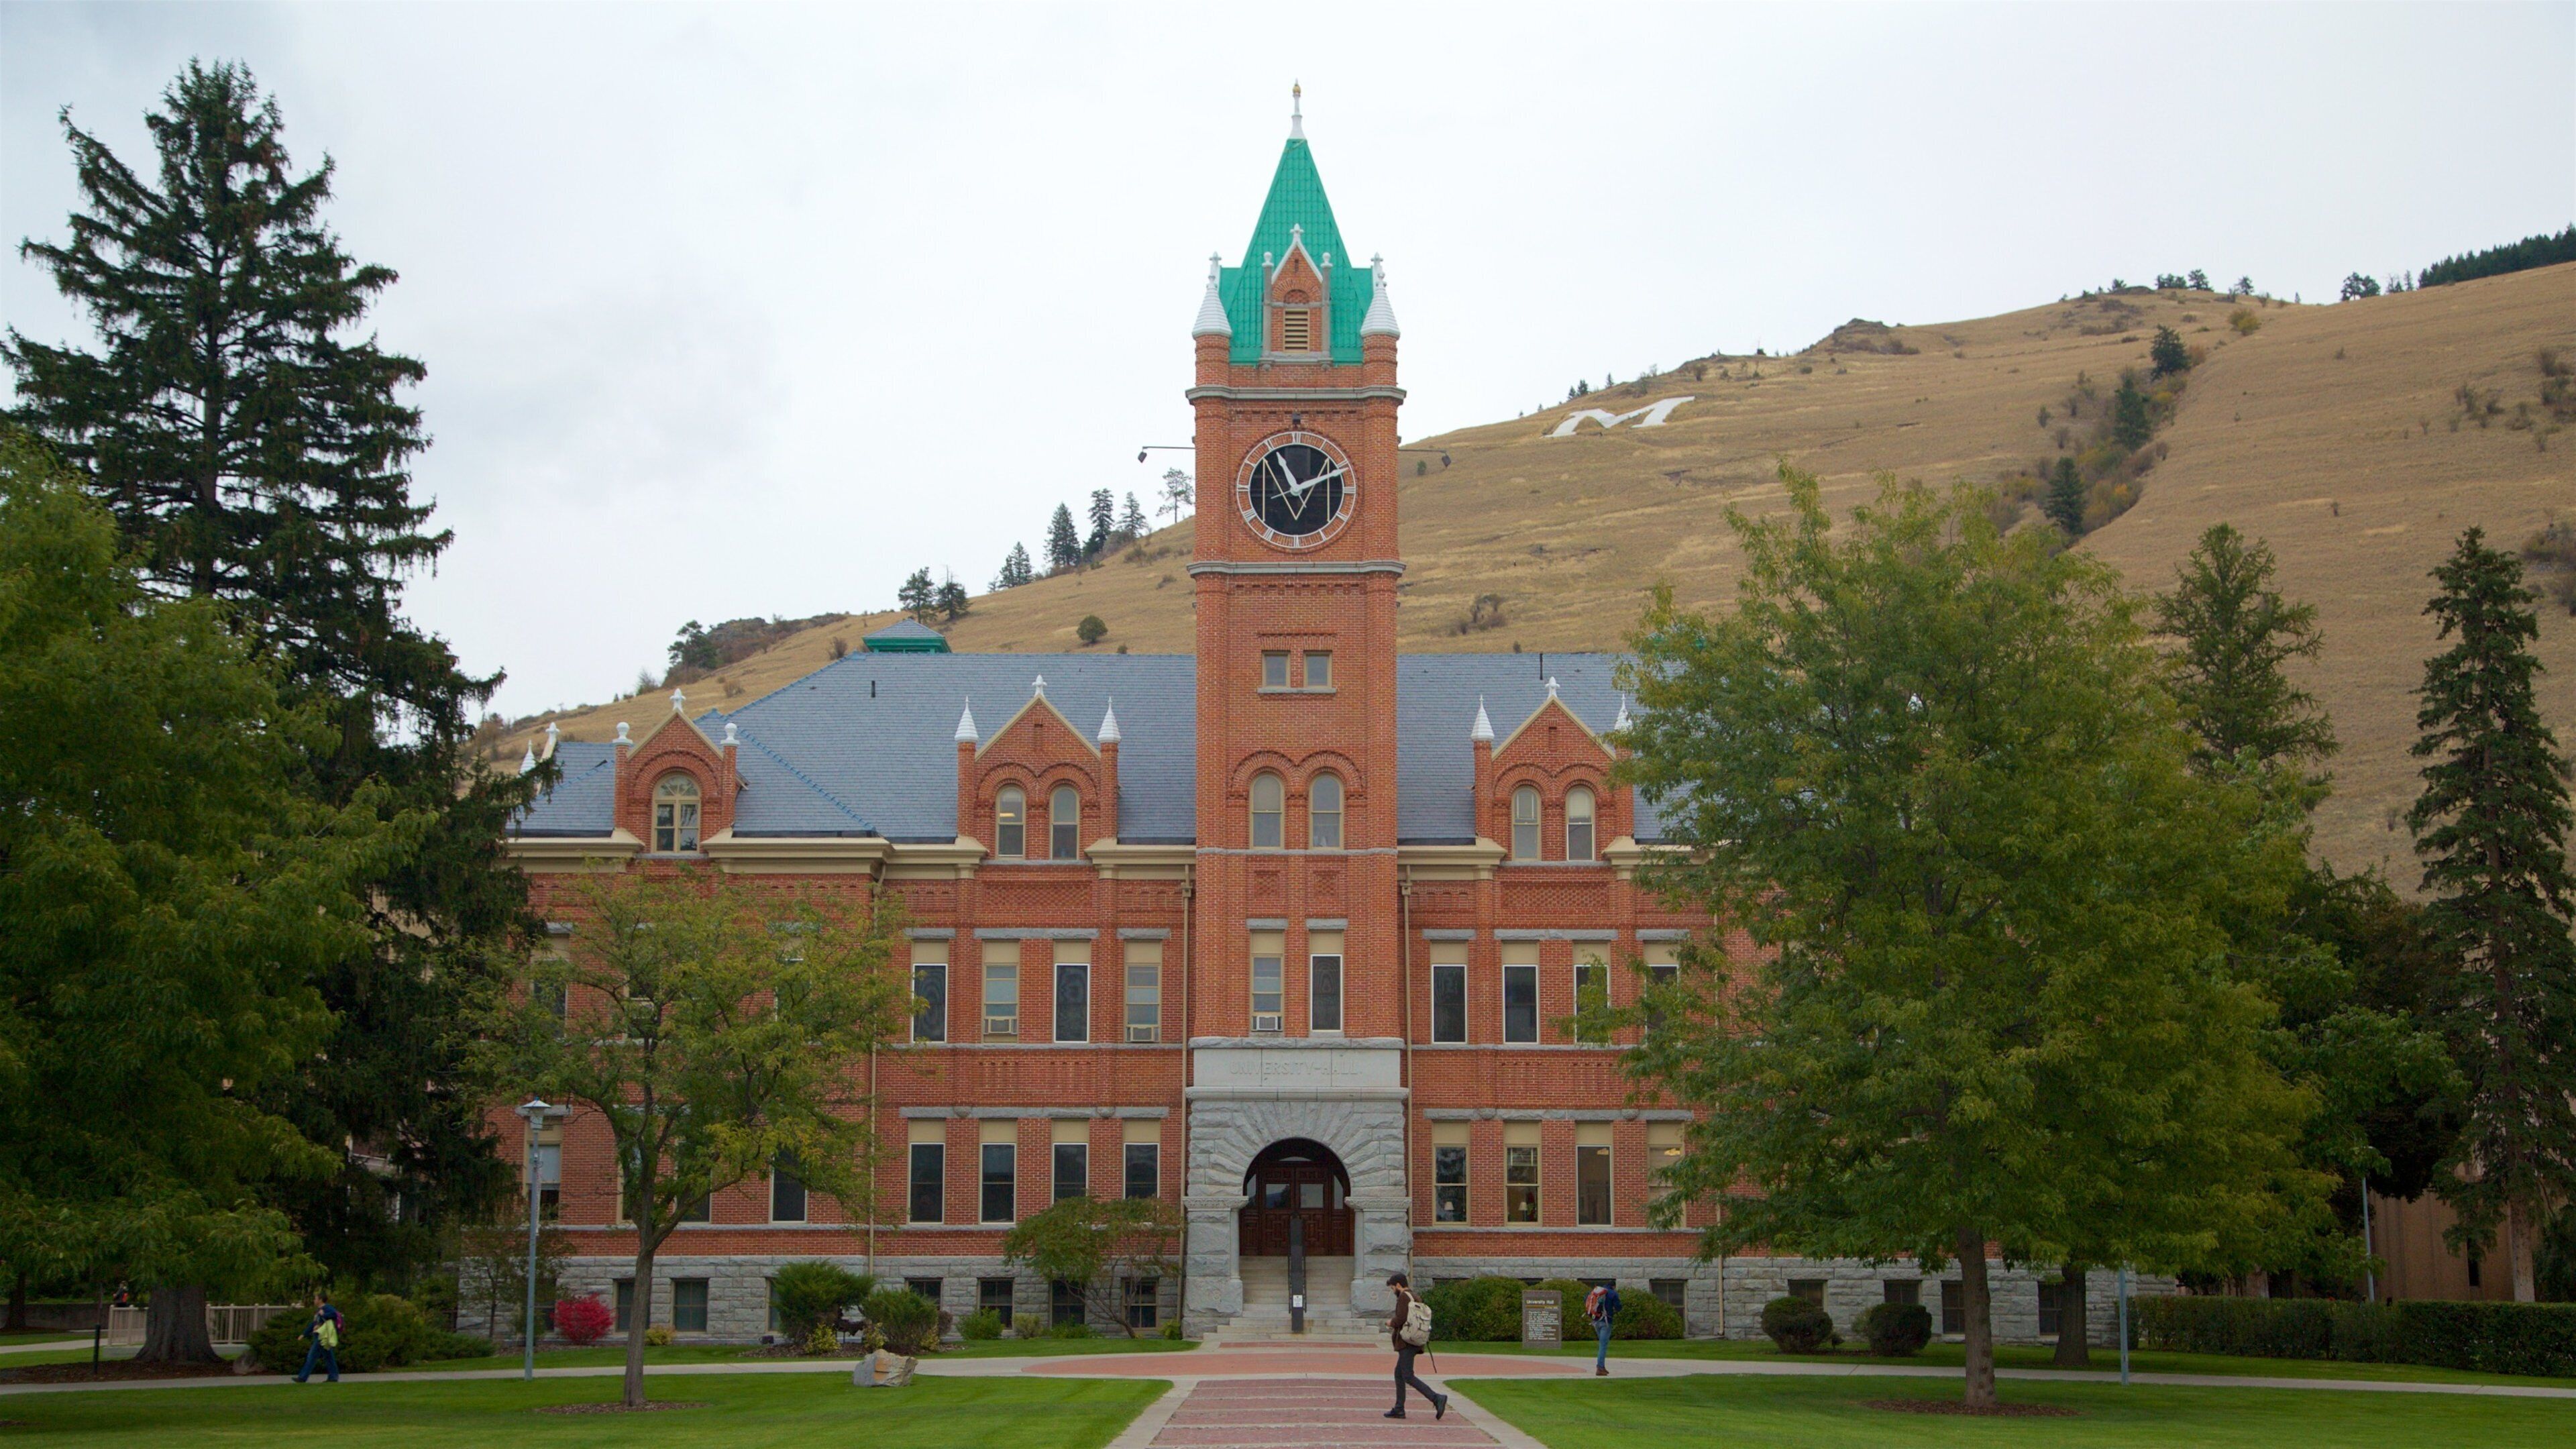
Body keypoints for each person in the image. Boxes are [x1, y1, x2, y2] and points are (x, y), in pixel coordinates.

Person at [1383, 1272, 1446, 1421]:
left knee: (1407, 1375)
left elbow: (1401, 1319)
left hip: (1407, 1341)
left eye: (1393, 1288)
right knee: (1399, 1373)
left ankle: (1436, 1398)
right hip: (1415, 1340)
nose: (1393, 1291)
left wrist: (1390, 1323)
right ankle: (1399, 1408)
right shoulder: (1415, 1296)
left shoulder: (1404, 1297)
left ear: (1398, 1285)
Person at [294, 1293, 345, 1383]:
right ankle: (333, 1377)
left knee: (312, 1356)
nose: (314, 1300)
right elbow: (314, 1324)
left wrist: (323, 1315)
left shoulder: (327, 1308)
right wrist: (304, 1334)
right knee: (329, 1357)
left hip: (322, 1336)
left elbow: (334, 1314)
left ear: (320, 1300)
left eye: (316, 1299)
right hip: (319, 1335)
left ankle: (302, 1377)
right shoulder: (319, 1310)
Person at [1583, 1281, 1623, 1376]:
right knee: (1603, 1345)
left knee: (1602, 1344)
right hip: (1606, 1322)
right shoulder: (1613, 1293)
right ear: (1614, 1286)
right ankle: (1600, 1367)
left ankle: (1602, 1367)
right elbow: (1619, 1307)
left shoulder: (1595, 1291)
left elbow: (1586, 1299)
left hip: (1595, 1321)